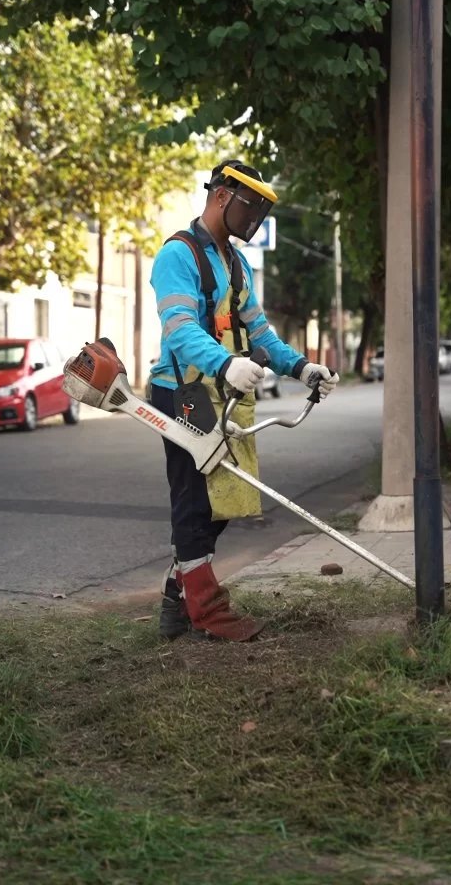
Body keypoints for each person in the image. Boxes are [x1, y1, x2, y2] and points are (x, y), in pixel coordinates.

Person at [150, 159, 340, 642]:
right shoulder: (179, 254)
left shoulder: (235, 264)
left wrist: (302, 368)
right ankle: (208, 612)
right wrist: (224, 363)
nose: (254, 219)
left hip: (222, 392)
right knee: (194, 503)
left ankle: (177, 606)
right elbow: (180, 328)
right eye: (249, 205)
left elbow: (262, 335)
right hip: (182, 394)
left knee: (223, 504)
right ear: (220, 197)